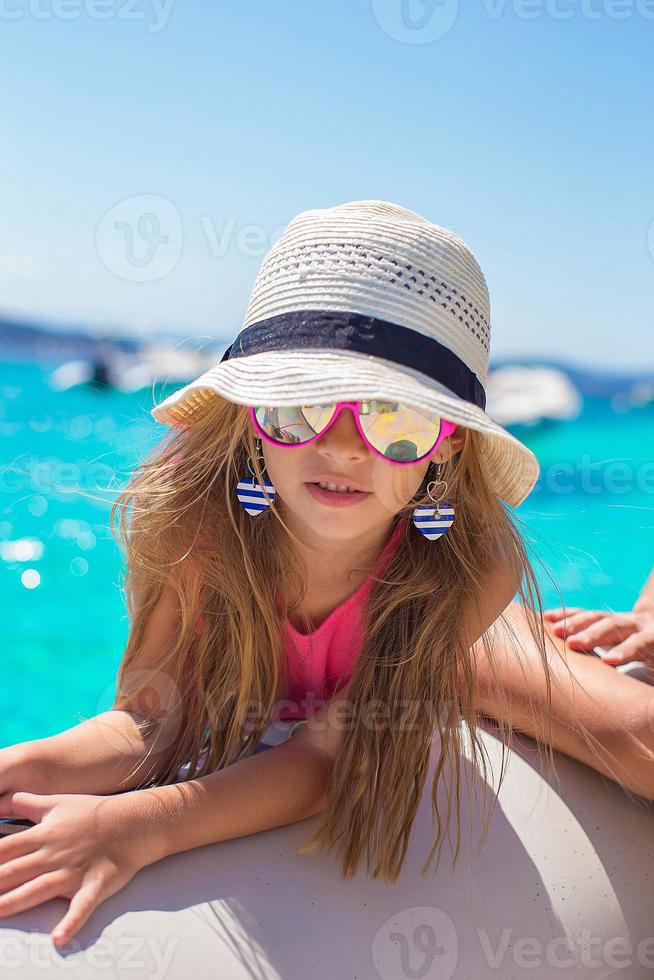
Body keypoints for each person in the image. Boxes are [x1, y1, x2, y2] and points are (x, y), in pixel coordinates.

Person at [0, 200, 644, 948]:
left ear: (447, 450)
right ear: (249, 415)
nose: (341, 447)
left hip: (443, 650)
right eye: (301, 406)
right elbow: (151, 719)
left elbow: (325, 761)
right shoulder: (190, 520)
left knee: (639, 737)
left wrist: (135, 826)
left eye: (395, 420)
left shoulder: (469, 563)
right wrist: (22, 765)